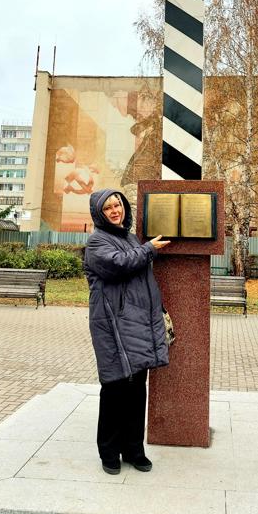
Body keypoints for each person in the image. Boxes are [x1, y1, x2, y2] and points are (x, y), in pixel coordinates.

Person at [84, 188, 170, 475]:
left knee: (136, 391)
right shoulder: (97, 242)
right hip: (113, 327)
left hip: (138, 325)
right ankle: (108, 451)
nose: (114, 210)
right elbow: (117, 265)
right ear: (100, 213)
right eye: (108, 207)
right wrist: (148, 250)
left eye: (117, 204)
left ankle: (134, 449)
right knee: (114, 389)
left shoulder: (131, 238)